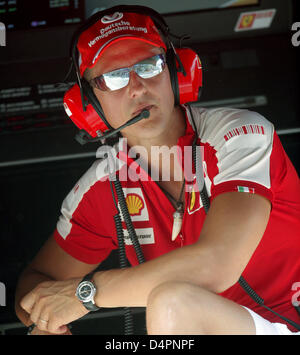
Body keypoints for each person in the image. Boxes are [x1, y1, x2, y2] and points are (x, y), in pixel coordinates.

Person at [15, 5, 300, 335]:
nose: (137, 87)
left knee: (172, 301)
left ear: (177, 73)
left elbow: (217, 264)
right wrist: (46, 320)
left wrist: (86, 295)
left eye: (149, 65)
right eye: (113, 76)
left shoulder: (239, 135)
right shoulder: (102, 187)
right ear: (88, 106)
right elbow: (34, 286)